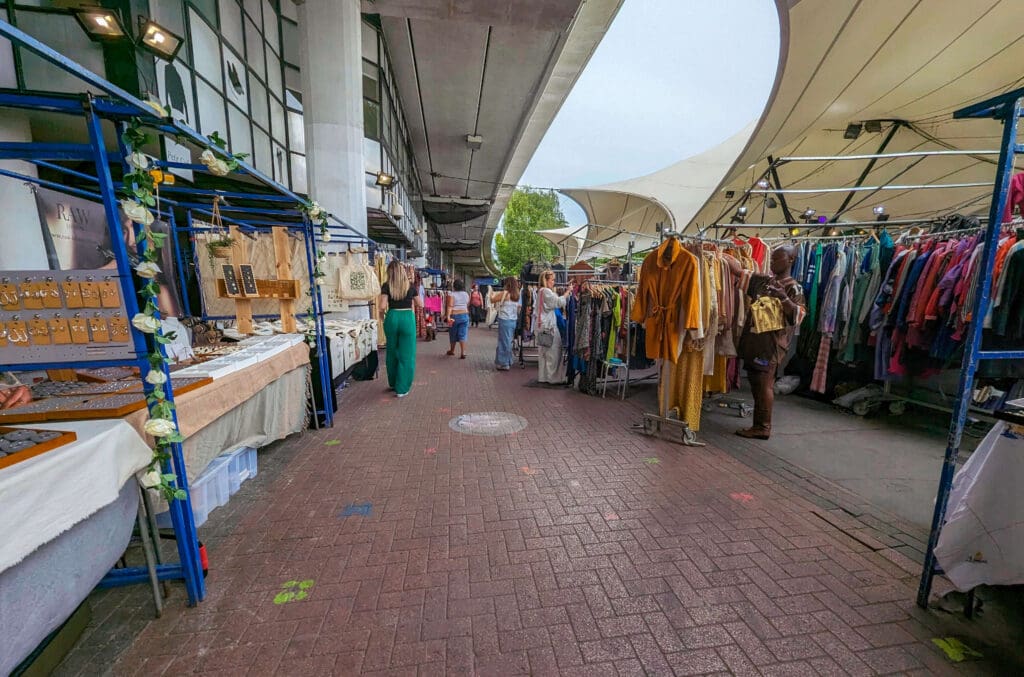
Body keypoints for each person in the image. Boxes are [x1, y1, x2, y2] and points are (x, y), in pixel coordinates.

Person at [725, 244, 806, 439]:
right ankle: (759, 425)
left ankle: (763, 427)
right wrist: (722, 254)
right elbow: (739, 271)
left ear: (791, 261)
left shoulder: (793, 287)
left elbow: (799, 316)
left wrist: (784, 298)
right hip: (754, 342)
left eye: (777, 259)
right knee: (755, 381)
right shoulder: (764, 281)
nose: (772, 262)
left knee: (763, 384)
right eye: (772, 259)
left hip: (770, 346)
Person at [379, 261, 422, 398]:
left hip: (392, 316)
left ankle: (393, 382)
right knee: (407, 354)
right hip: (407, 317)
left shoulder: (386, 286)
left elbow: (382, 305)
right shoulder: (410, 286)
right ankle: (402, 388)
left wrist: (382, 316)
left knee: (392, 351)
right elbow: (420, 304)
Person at [535, 270, 570, 384]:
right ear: (546, 280)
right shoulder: (545, 291)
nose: (554, 282)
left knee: (543, 352)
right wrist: (568, 292)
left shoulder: (540, 291)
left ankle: (543, 376)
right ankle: (553, 378)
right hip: (548, 326)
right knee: (554, 351)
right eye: (552, 280)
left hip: (541, 325)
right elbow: (558, 302)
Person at [490, 277, 521, 370]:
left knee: (504, 341)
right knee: (508, 341)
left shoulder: (505, 293)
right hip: (513, 320)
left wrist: (491, 293)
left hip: (504, 319)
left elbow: (492, 300)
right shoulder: (517, 295)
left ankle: (503, 363)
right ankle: (508, 360)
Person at [446, 279, 471, 358]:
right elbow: (467, 304)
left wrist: (448, 316)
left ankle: (452, 350)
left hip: (454, 316)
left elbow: (450, 306)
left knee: (453, 333)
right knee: (463, 334)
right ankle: (463, 352)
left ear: (454, 286)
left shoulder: (451, 294)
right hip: (464, 315)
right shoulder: (466, 294)